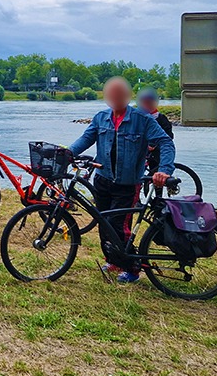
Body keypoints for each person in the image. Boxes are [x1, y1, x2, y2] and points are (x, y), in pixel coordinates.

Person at [69, 77, 175, 284]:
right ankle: (114, 260)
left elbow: (166, 143)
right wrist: (66, 152)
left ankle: (133, 269)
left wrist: (164, 170)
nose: (115, 98)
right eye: (111, 94)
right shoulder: (101, 118)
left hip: (127, 184)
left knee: (118, 225)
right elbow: (85, 139)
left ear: (127, 96)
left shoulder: (142, 120)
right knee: (103, 223)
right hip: (103, 180)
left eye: (120, 94)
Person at [136, 87, 174, 173]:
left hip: (157, 151)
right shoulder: (138, 117)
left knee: (156, 169)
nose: (147, 105)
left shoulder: (160, 118)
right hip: (142, 150)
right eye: (144, 102)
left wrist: (154, 146)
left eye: (149, 102)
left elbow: (169, 136)